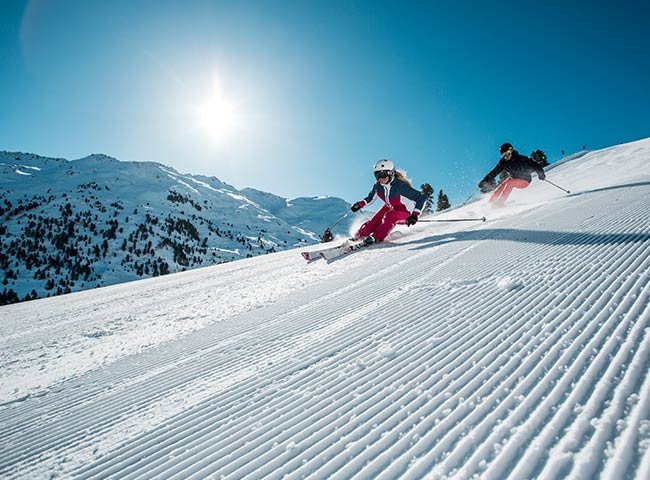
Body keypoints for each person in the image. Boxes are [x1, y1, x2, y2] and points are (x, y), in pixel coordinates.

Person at [350, 159, 426, 244]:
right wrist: (359, 205)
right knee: (376, 218)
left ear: (390, 173)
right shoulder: (378, 187)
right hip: (391, 206)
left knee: (390, 216)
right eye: (377, 175)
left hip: (407, 213)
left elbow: (421, 198)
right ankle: (359, 236)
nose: (380, 178)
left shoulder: (400, 186)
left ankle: (376, 237)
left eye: (383, 174)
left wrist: (414, 215)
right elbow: (370, 199)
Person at [479, 142, 546, 205]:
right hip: (514, 179)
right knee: (501, 186)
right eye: (504, 155)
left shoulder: (521, 158)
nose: (506, 156)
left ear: (511, 151)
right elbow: (494, 172)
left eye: (508, 153)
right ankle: (490, 203)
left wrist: (541, 174)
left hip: (525, 180)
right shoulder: (503, 162)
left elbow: (534, 165)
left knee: (509, 183)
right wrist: (485, 180)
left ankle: (500, 203)